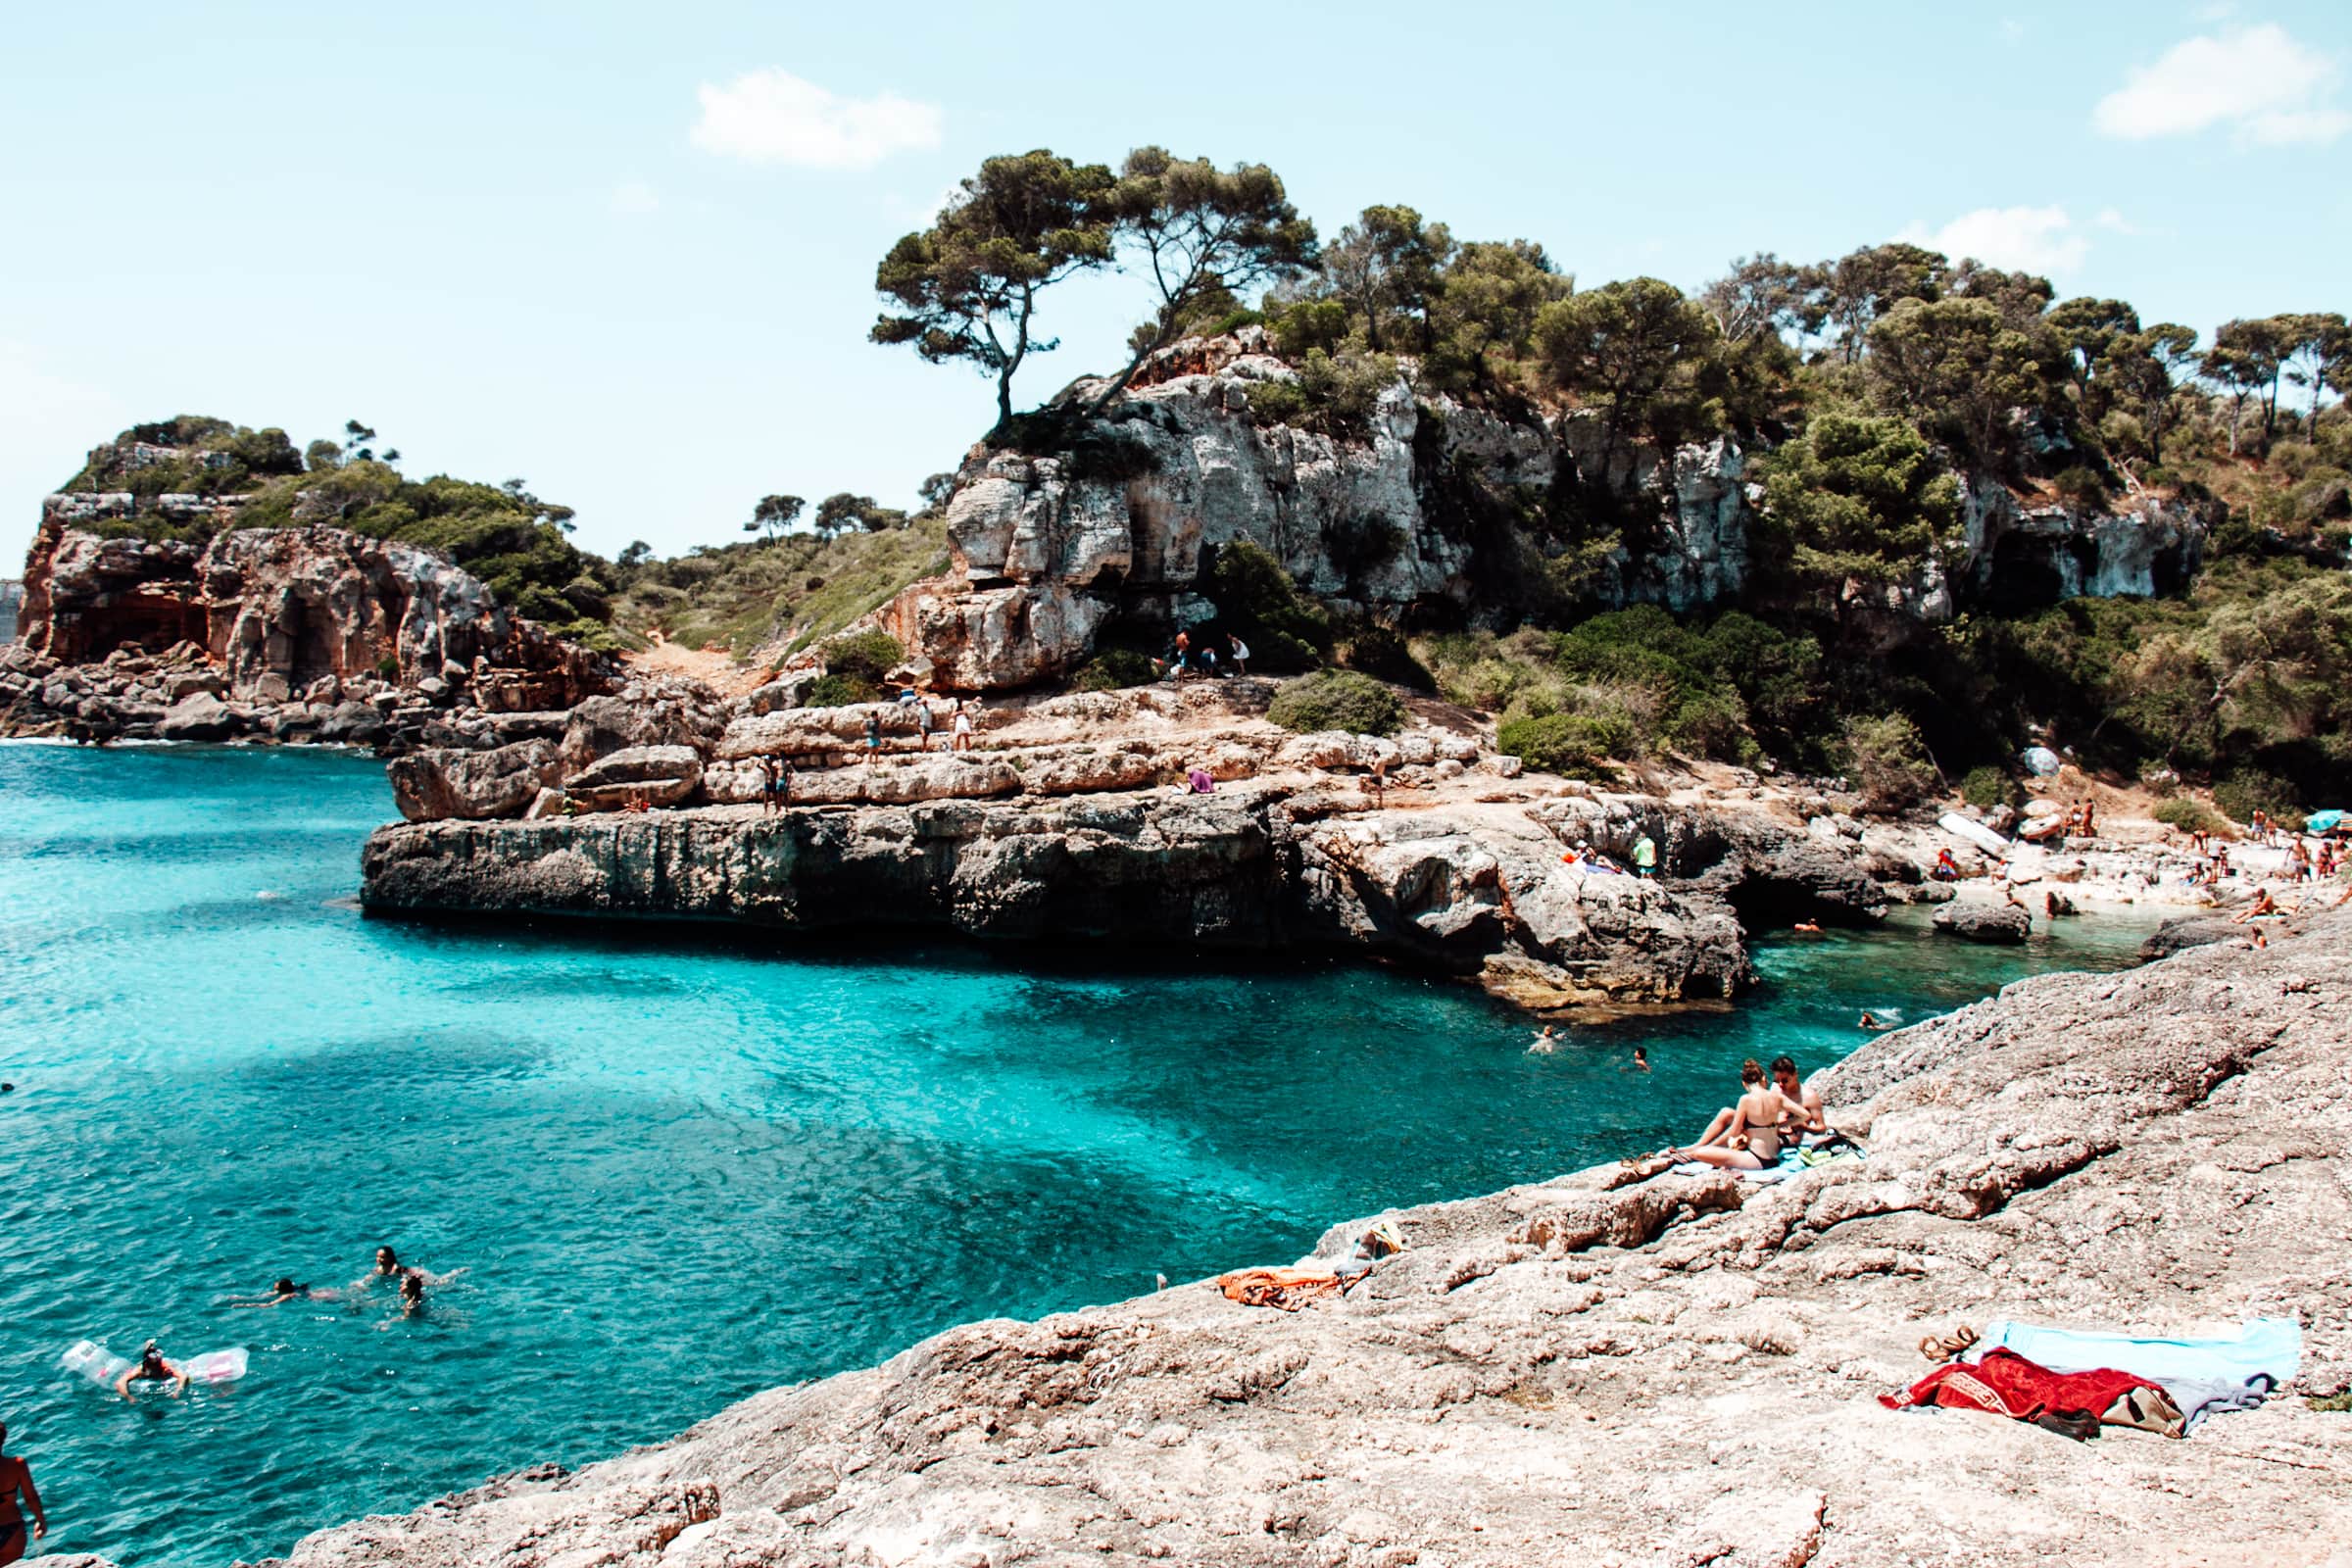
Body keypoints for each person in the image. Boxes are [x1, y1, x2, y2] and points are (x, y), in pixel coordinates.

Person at [1669, 1061, 1787, 1170]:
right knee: (1727, 1112)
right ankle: (1697, 1146)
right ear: (1764, 1079)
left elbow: (1735, 1132)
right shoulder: (1774, 1095)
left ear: (1744, 1083)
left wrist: (1774, 1125)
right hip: (1767, 1147)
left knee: (1701, 1152)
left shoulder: (1750, 1098)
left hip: (1760, 1157)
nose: (1778, 1083)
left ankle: (1699, 1151)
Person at [0, 1423, 46, 1565]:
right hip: (12, 1530)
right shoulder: (17, 1465)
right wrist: (40, 1520)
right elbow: (31, 1498)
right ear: (3, 1439)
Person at [115, 1342, 190, 1402]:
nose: (156, 1366)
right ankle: (148, 1346)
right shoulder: (140, 1370)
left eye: (157, 1363)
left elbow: (183, 1376)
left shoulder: (165, 1367)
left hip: (165, 1370)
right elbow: (120, 1383)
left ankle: (149, 1346)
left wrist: (177, 1391)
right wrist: (129, 1397)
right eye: (154, 1365)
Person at [1770, 1055, 1827, 1136]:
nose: (1780, 1085)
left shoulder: (1809, 1097)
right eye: (1776, 1081)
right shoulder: (1774, 1088)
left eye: (1785, 1081)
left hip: (1790, 1142)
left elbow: (1821, 1128)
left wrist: (1805, 1128)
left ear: (1795, 1074)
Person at [232, 1277, 335, 1308]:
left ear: (281, 1288)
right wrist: (240, 1297)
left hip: (324, 1297)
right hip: (322, 1293)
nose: (275, 1283)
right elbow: (261, 1296)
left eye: (277, 1283)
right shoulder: (291, 1287)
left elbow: (268, 1305)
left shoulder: (286, 1295)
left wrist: (243, 1305)